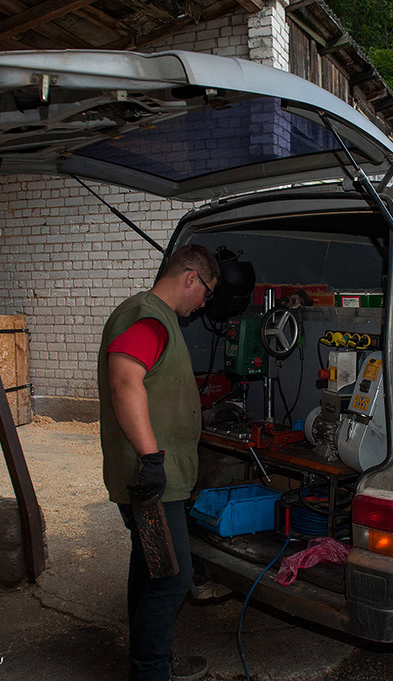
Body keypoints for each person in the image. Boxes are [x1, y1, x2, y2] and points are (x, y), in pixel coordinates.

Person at [98, 244, 220, 681]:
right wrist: (152, 458)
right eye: (205, 293)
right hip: (153, 480)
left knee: (149, 568)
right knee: (170, 578)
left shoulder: (151, 315)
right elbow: (125, 379)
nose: (203, 303)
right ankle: (150, 671)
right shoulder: (148, 315)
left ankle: (151, 659)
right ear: (191, 278)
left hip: (151, 477)